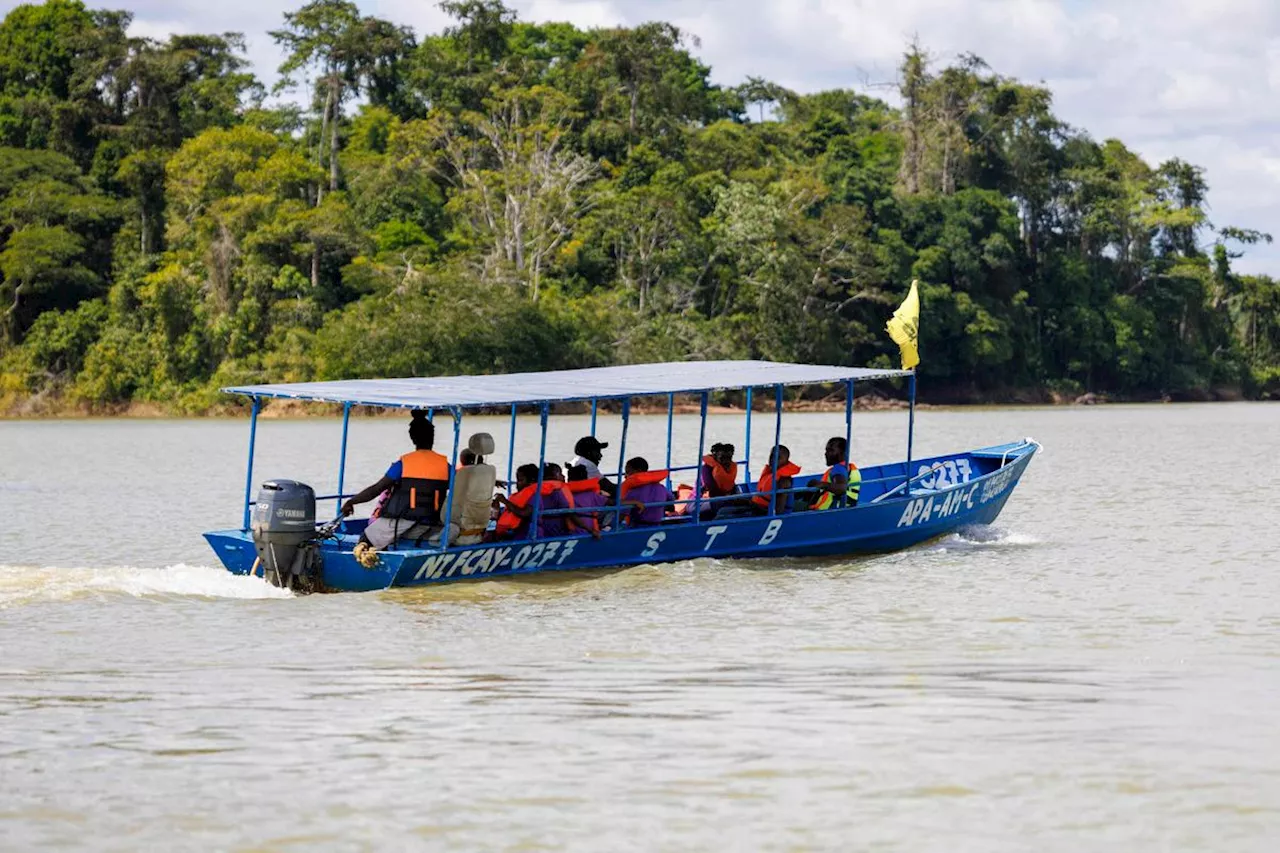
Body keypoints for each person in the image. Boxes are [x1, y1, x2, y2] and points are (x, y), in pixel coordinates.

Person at [343, 410, 451, 558]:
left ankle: (373, 563)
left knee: (367, 536)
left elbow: (376, 489)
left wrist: (352, 501)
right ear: (432, 438)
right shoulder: (445, 466)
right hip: (433, 520)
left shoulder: (403, 464)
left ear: (413, 438)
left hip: (403, 520)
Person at [448, 433, 499, 544]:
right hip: (480, 528)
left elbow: (449, 509)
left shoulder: (464, 473)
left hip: (461, 529)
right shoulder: (491, 471)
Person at [804, 436, 861, 511]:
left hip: (826, 511)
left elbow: (841, 488)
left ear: (843, 453)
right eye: (826, 450)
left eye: (831, 450)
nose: (826, 454)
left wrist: (822, 484)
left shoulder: (838, 469)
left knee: (792, 506)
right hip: (847, 508)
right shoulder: (849, 468)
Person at [619, 457, 671, 526]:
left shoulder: (632, 493)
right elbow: (671, 500)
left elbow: (622, 514)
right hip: (658, 525)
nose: (625, 476)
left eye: (628, 472)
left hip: (637, 526)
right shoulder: (662, 488)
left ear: (638, 471)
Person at [750, 445, 801, 515]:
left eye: (778, 457)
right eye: (771, 456)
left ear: (786, 461)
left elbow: (778, 512)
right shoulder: (771, 473)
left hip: (765, 511)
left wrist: (752, 505)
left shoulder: (783, 481)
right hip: (759, 506)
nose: (773, 459)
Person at [698, 442, 739, 517]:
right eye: (722, 458)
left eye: (729, 458)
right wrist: (728, 497)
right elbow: (711, 488)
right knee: (721, 504)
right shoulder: (706, 468)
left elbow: (730, 485)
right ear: (715, 457)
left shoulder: (729, 467)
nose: (726, 461)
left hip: (722, 498)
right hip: (701, 501)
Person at [567, 464, 608, 533]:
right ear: (586, 478)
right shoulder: (591, 495)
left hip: (572, 530)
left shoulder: (565, 494)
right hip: (588, 529)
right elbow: (612, 502)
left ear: (568, 479)